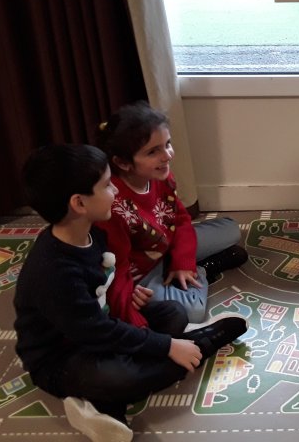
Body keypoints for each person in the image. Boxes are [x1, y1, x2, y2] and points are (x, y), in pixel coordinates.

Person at [14, 144, 248, 442]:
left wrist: (129, 292)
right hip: (64, 358)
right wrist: (167, 346)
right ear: (79, 203)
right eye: (106, 185)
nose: (115, 190)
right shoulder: (55, 272)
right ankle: (202, 343)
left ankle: (103, 404)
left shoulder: (92, 232)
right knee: (121, 377)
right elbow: (96, 332)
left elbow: (111, 276)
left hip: (103, 325)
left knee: (174, 313)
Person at [96, 101, 248, 327]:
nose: (167, 155)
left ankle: (185, 269)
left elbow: (180, 220)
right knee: (193, 310)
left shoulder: (161, 177)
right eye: (153, 152)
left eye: (167, 144)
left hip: (166, 245)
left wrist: (183, 261)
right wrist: (130, 294)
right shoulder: (113, 205)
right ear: (123, 163)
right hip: (141, 271)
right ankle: (202, 269)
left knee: (231, 229)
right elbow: (117, 264)